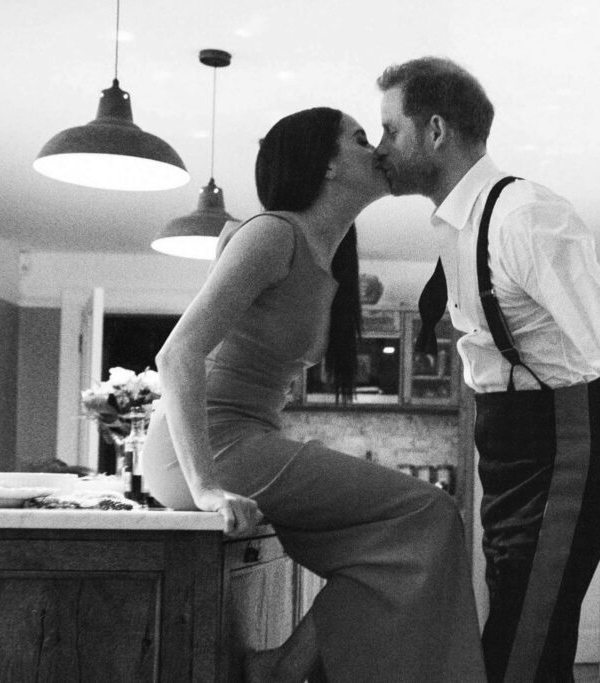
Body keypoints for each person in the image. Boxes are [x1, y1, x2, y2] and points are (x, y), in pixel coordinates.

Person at [374, 57, 600, 683]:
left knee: (520, 657)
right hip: (504, 450)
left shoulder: (524, 216)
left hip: (559, 450)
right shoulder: (456, 225)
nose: (381, 147)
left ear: (436, 131)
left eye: (390, 130)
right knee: (527, 649)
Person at [141, 107, 486, 683]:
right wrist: (204, 489)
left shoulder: (329, 256)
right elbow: (177, 355)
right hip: (203, 448)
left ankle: (283, 668)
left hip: (242, 439)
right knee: (428, 513)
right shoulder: (273, 233)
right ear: (326, 164)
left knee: (403, 542)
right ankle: (283, 670)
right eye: (360, 138)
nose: (378, 148)